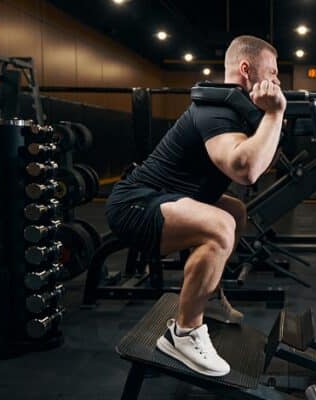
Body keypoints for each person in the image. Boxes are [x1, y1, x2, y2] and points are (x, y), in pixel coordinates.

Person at [105, 35, 285, 376]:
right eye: (272, 71)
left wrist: (272, 119)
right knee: (220, 227)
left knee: (234, 212)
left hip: (162, 198)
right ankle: (183, 334)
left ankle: (207, 294)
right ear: (246, 69)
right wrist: (276, 114)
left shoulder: (237, 108)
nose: (277, 79)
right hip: (134, 204)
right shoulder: (216, 109)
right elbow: (245, 170)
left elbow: (260, 162)